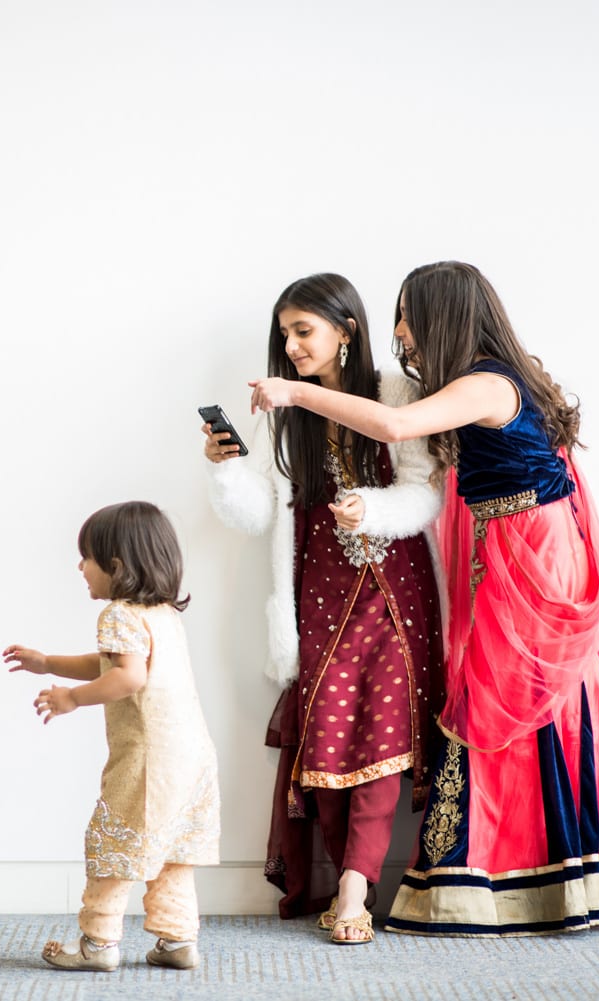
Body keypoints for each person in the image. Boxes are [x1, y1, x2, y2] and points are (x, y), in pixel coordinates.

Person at [249, 261, 599, 936]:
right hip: (508, 546)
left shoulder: (487, 381)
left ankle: (518, 877)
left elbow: (391, 426)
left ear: (441, 314)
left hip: (527, 552)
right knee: (507, 700)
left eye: (407, 313)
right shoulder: (488, 376)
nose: (401, 330)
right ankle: (525, 876)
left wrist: (297, 394)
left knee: (511, 701)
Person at [204, 273, 445, 945]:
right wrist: (224, 468)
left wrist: (372, 508)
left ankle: (353, 890)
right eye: (285, 334)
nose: (292, 345)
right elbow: (260, 514)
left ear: (347, 329)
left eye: (303, 330)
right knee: (332, 733)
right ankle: (348, 873)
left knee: (386, 731)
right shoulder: (287, 413)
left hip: (394, 588)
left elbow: (426, 492)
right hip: (321, 591)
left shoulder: (396, 396)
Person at [4, 501, 220, 972]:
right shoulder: (163, 614)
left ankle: (98, 944)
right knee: (171, 849)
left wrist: (72, 698)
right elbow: (115, 662)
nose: (80, 567)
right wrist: (48, 662)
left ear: (116, 567)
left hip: (148, 760)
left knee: (113, 843)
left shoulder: (118, 614)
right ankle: (177, 938)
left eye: (87, 558)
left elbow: (128, 677)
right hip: (192, 757)